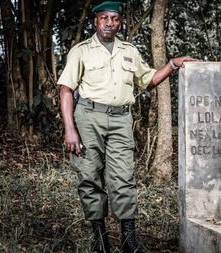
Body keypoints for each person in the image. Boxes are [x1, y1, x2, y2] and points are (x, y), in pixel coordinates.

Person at [58, 1, 196, 252]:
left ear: (119, 22)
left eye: (115, 19)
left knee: (123, 177)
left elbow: (148, 79)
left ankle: (128, 241)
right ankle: (100, 241)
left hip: (121, 119)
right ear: (95, 21)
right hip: (88, 117)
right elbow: (66, 89)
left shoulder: (129, 51)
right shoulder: (81, 51)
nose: (109, 23)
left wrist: (173, 64)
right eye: (104, 18)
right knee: (89, 176)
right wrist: (70, 128)